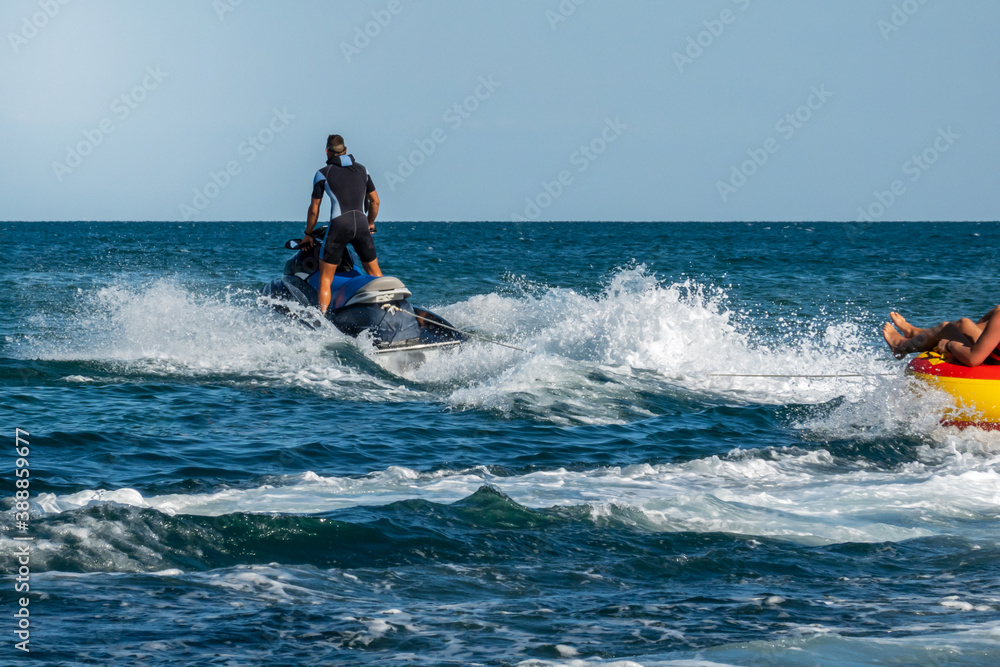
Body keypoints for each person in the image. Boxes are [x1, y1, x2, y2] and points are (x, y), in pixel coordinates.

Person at [301, 134, 382, 315]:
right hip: (361, 224)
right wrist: (370, 224)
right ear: (345, 150)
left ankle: (322, 320)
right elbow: (375, 202)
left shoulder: (322, 173)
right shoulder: (363, 170)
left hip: (339, 226)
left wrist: (308, 233)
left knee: (326, 279)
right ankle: (390, 310)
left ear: (327, 151)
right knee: (375, 273)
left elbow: (314, 209)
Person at [882, 308, 1000, 366]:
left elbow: (973, 359)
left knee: (946, 329)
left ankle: (900, 346)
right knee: (964, 324)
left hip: (991, 367)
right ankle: (914, 332)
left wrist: (949, 345)